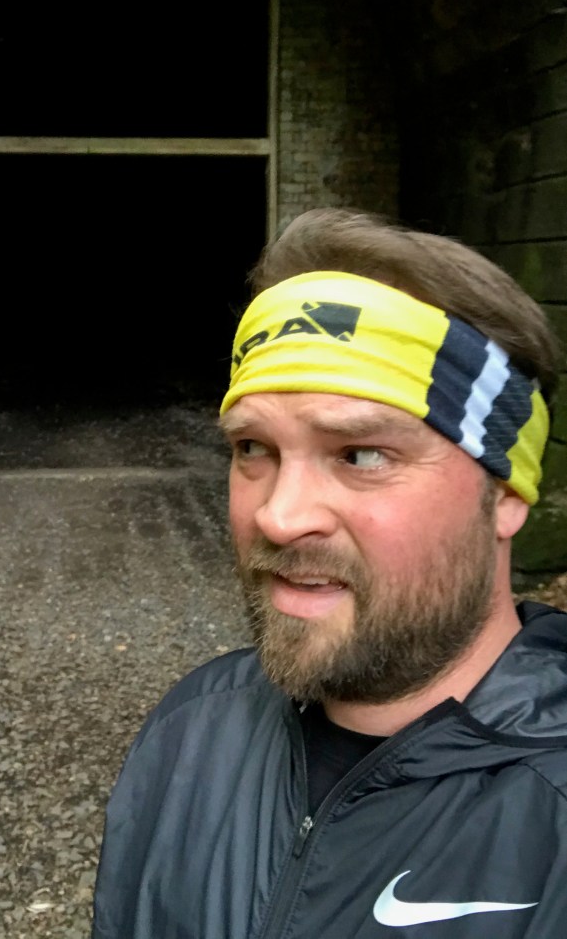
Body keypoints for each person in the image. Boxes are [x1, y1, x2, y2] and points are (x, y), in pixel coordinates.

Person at [91, 208, 567, 939]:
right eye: (253, 448)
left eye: (360, 455)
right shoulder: (191, 728)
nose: (279, 516)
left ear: (504, 494)